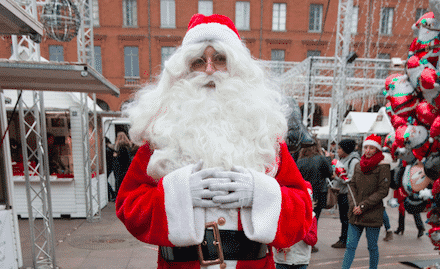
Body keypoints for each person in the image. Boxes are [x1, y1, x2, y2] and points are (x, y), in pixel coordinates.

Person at [116, 13, 313, 269]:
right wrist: (178, 194)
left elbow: (302, 213)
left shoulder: (264, 136)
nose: (209, 69)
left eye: (220, 59)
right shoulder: (161, 134)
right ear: (183, 71)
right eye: (199, 61)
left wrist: (259, 193)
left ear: (237, 68)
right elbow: (129, 206)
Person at [341, 134, 391, 269]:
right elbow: (351, 185)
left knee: (372, 247)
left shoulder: (383, 167)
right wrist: (354, 205)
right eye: (366, 147)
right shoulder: (358, 165)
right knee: (350, 246)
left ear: (377, 149)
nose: (367, 151)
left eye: (371, 148)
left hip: (372, 214)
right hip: (355, 213)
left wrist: (363, 206)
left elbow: (383, 191)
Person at [296, 138, 332, 252]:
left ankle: (302, 240)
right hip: (319, 192)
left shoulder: (300, 161)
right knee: (314, 219)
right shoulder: (321, 159)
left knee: (303, 217)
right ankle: (310, 242)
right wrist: (328, 159)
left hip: (304, 193)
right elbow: (329, 173)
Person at [274, 181, 317, 269]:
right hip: (282, 260)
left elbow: (312, 240)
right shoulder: (281, 215)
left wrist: (301, 227)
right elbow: (274, 236)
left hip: (300, 260)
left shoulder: (311, 217)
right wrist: (280, 246)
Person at [331, 139, 360, 249]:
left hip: (348, 194)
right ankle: (344, 238)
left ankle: (345, 240)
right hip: (342, 193)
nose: (337, 151)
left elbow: (351, 179)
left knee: (346, 218)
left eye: (339, 148)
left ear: (346, 149)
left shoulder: (353, 161)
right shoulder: (342, 159)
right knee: (343, 217)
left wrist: (337, 177)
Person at [105, 137, 117, 202]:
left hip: (109, 166)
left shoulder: (107, 149)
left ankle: (112, 194)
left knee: (105, 180)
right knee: (105, 180)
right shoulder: (111, 147)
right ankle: (112, 194)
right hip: (111, 166)